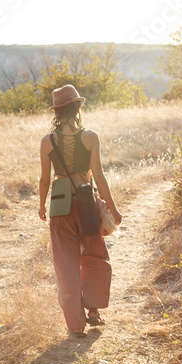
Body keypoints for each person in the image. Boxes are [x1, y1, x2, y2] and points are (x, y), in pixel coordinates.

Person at [38, 84, 123, 338]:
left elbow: (44, 180)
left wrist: (41, 205)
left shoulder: (47, 142)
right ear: (77, 107)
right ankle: (94, 311)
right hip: (86, 204)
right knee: (95, 256)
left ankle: (75, 325)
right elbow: (99, 176)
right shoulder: (90, 137)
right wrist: (113, 209)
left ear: (56, 111)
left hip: (60, 208)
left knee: (66, 264)